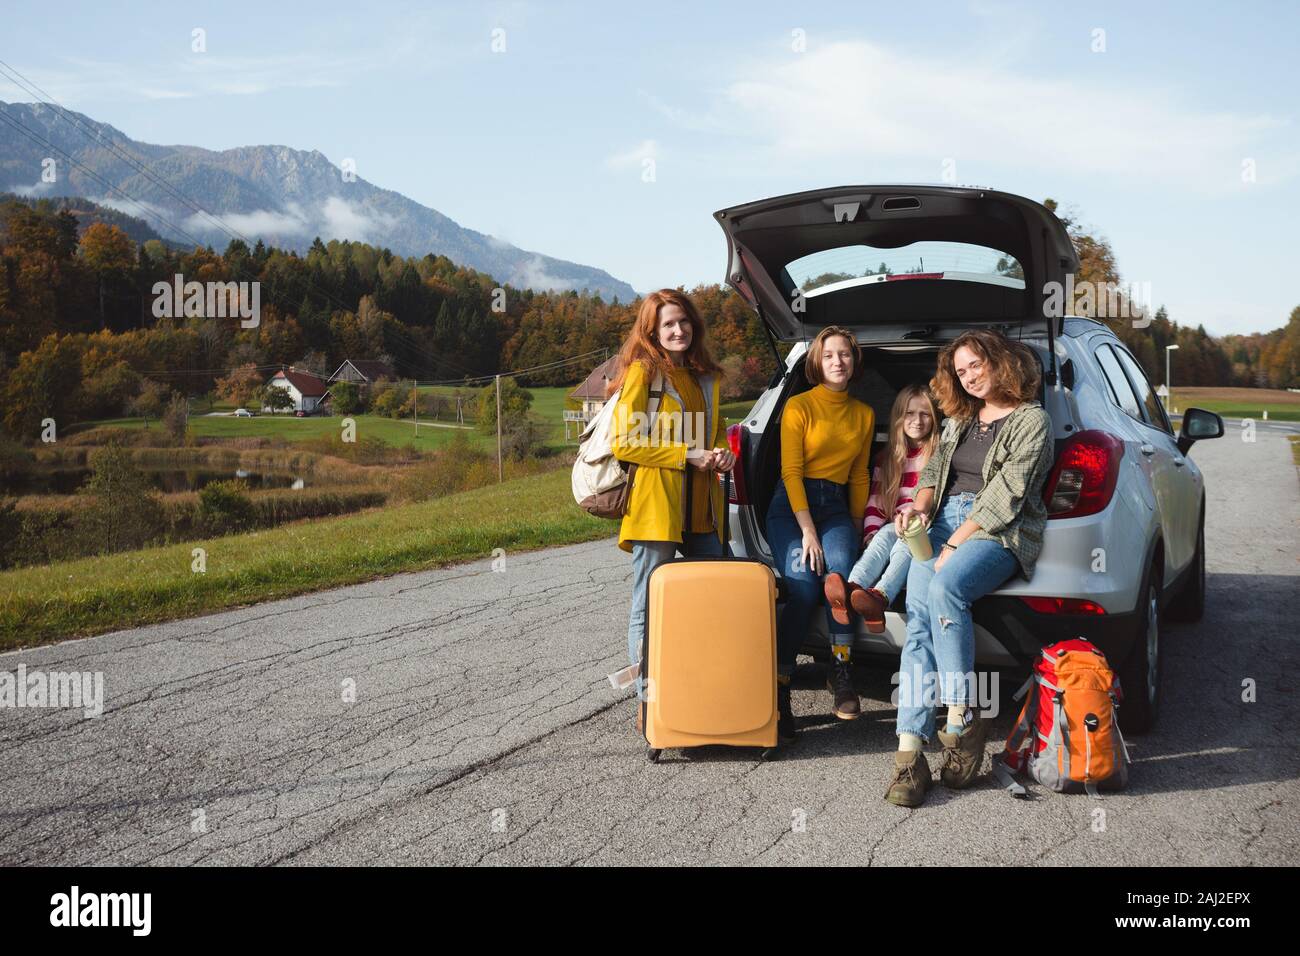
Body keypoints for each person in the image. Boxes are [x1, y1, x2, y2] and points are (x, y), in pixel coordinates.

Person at [883, 328, 1055, 807]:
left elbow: (1007, 496)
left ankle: (959, 717)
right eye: (961, 371)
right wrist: (917, 509)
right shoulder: (960, 419)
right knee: (918, 625)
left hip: (996, 533)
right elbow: (936, 475)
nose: (970, 377)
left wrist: (955, 544)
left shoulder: (1031, 421)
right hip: (939, 525)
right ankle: (910, 753)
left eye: (975, 365)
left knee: (945, 592)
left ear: (999, 361)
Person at [609, 289, 735, 730]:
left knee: (715, 600)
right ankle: (652, 710)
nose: (678, 330)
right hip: (656, 509)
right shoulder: (644, 373)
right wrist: (688, 455)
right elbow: (624, 442)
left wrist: (721, 455)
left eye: (683, 321)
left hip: (703, 510)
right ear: (652, 331)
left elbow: (714, 434)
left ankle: (700, 690)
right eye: (667, 324)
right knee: (649, 608)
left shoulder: (705, 377)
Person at [765, 326, 874, 739]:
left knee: (840, 577)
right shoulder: (799, 406)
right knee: (805, 588)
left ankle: (841, 671)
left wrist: (861, 527)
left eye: (844, 354)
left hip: (836, 507)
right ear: (817, 361)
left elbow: (860, 474)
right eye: (829, 355)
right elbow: (791, 472)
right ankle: (779, 689)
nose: (838, 362)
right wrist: (807, 531)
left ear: (853, 359)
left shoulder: (863, 414)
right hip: (791, 507)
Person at [838, 384, 939, 633]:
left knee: (906, 542)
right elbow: (876, 503)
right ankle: (850, 589)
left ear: (935, 419)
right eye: (910, 413)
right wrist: (870, 533)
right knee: (882, 537)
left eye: (925, 414)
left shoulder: (937, 455)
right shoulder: (888, 458)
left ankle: (879, 596)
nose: (917, 420)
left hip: (925, 526)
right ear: (898, 418)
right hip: (895, 524)